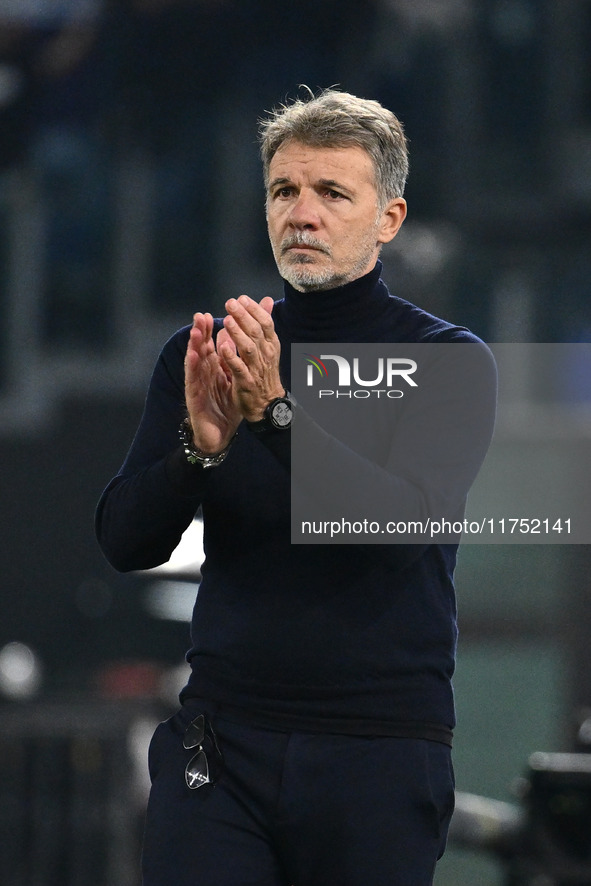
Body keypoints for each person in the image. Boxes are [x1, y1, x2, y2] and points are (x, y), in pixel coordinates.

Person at [96, 88, 496, 886]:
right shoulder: (207, 351)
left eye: (331, 193)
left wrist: (277, 416)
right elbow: (123, 540)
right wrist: (198, 452)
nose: (301, 213)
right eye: (284, 190)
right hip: (221, 742)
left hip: (377, 748)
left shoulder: (446, 360)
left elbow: (397, 524)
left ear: (388, 218)